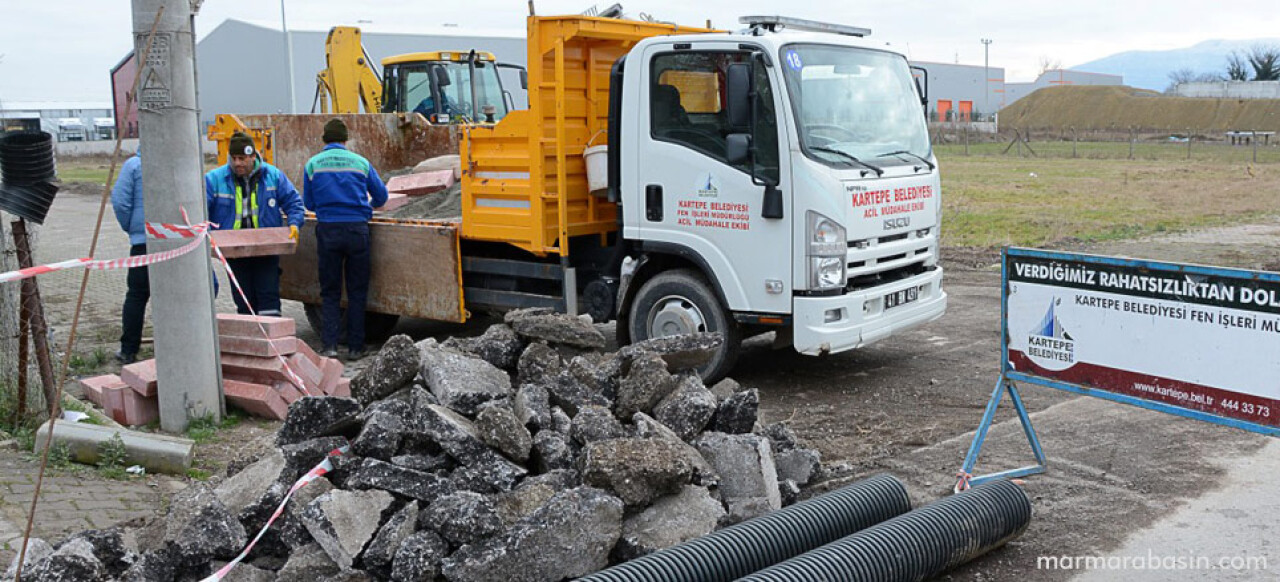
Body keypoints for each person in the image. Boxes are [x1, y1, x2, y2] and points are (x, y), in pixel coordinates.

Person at [302, 118, 388, 360]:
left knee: (330, 291)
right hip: (357, 230)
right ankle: (355, 348)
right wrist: (365, 206)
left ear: (325, 140)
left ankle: (329, 346)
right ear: (345, 139)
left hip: (328, 230)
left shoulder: (313, 164)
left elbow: (308, 203)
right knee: (357, 291)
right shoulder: (361, 162)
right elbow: (381, 197)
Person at [205, 131, 305, 316]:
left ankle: (271, 339)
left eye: (242, 158)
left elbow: (294, 204)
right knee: (244, 301)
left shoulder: (272, 176)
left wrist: (294, 224)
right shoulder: (215, 179)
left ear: (253, 156)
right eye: (234, 158)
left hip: (266, 248)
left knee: (269, 299)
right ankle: (251, 338)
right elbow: (202, 213)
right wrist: (210, 237)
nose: (237, 163)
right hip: (234, 251)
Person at [110, 148, 146, 364]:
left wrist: (133, 228)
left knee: (137, 295)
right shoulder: (176, 161)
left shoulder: (133, 165)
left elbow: (120, 202)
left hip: (143, 244)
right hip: (174, 241)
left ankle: (129, 349)